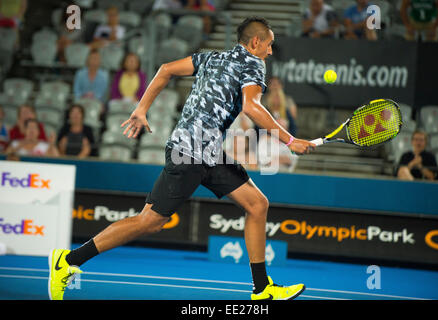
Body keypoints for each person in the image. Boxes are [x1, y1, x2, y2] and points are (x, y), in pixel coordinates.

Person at [49, 17, 316, 301]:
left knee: (257, 204)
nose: (270, 51)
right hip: (189, 151)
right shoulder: (254, 63)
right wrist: (290, 140)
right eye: (269, 44)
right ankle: (68, 261)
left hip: (208, 151)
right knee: (150, 221)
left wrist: (142, 109)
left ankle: (262, 288)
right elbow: (251, 106)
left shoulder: (211, 57)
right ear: (255, 43)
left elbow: (165, 70)